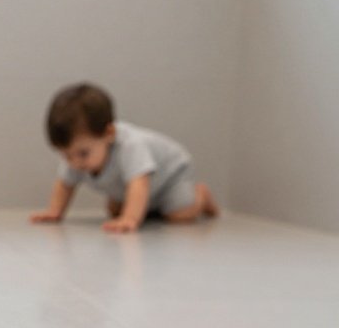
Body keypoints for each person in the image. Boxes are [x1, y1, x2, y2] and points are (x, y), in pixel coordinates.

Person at [30, 82, 219, 232]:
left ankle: (201, 195)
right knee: (114, 211)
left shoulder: (130, 145)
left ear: (109, 133)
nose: (75, 162)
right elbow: (65, 184)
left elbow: (139, 183)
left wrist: (130, 219)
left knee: (179, 215)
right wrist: (55, 211)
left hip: (170, 177)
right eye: (66, 155)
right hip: (145, 188)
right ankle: (149, 208)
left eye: (83, 154)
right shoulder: (76, 157)